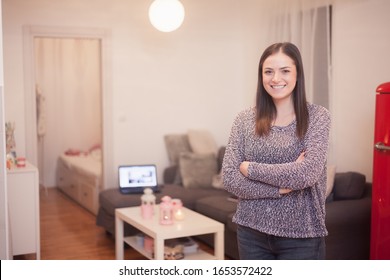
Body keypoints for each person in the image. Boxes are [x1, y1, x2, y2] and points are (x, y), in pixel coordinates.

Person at [222, 42, 331, 260]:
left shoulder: (318, 117)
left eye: (285, 71)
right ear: (261, 76)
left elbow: (306, 174)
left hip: (301, 236)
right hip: (250, 231)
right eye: (268, 71)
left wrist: (249, 168)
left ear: (297, 74)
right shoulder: (244, 120)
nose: (275, 79)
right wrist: (278, 189)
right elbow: (229, 178)